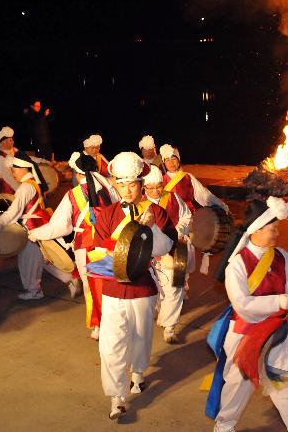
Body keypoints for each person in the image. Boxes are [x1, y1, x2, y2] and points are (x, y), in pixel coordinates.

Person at [205, 196, 288, 432]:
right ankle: (224, 425)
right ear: (256, 230)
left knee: (286, 381)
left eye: (277, 228)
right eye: (272, 229)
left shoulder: (282, 256)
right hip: (245, 333)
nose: (276, 234)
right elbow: (243, 305)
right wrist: (280, 301)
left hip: (277, 332)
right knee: (239, 383)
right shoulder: (238, 265)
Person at [91, 152, 174, 420]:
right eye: (122, 184)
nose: (127, 190)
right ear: (114, 184)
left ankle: (138, 373)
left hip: (143, 289)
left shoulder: (157, 211)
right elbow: (97, 250)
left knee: (141, 337)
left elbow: (168, 245)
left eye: (133, 184)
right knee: (111, 345)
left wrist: (152, 230)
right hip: (113, 289)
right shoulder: (106, 214)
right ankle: (117, 396)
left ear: (141, 184)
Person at [28, 152, 118, 338]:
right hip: (109, 243)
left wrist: (36, 233)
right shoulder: (109, 189)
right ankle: (114, 321)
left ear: (78, 174)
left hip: (86, 245)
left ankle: (98, 325)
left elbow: (59, 227)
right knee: (109, 283)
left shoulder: (73, 194)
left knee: (91, 285)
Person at [0, 151, 78, 300]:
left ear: (22, 168)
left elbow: (15, 210)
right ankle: (69, 279)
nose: (12, 174)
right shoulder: (32, 182)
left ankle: (34, 291)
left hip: (31, 228)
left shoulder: (25, 188)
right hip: (37, 223)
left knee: (27, 261)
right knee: (43, 258)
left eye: (13, 170)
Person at [160, 143, 229, 274]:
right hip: (170, 224)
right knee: (170, 265)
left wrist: (220, 205)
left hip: (188, 224)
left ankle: (182, 286)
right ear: (163, 162)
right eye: (167, 160)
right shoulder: (160, 181)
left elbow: (204, 195)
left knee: (185, 262)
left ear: (179, 160)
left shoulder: (187, 177)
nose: (171, 162)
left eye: (173, 158)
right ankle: (176, 289)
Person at [143, 165, 192, 343]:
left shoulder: (172, 197)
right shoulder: (139, 203)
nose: (156, 191)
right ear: (144, 187)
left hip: (175, 248)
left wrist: (178, 231)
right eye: (151, 187)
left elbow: (187, 216)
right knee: (157, 289)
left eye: (159, 186)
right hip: (149, 255)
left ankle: (170, 327)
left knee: (176, 288)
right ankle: (161, 310)